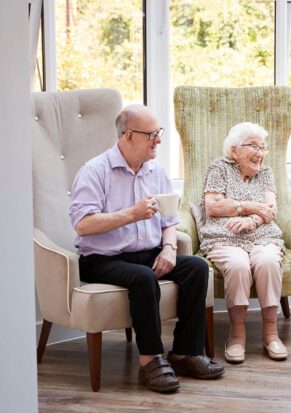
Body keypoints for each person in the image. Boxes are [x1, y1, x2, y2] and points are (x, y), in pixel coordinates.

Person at [70, 104, 224, 394]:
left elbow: (169, 219)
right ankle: (150, 360)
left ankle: (185, 353)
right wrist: (131, 214)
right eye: (152, 134)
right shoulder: (94, 171)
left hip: (150, 253)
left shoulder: (156, 170)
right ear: (129, 136)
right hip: (102, 259)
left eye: (159, 132)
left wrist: (168, 248)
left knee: (197, 267)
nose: (159, 140)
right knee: (143, 277)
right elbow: (83, 225)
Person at [199, 122, 287, 363]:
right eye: (253, 146)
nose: (260, 153)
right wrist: (248, 207)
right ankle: (237, 334)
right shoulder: (219, 167)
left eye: (263, 147)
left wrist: (253, 221)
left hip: (262, 236)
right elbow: (214, 206)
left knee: (268, 261)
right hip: (224, 236)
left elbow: (271, 209)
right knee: (238, 265)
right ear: (235, 150)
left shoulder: (266, 173)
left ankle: (271, 333)